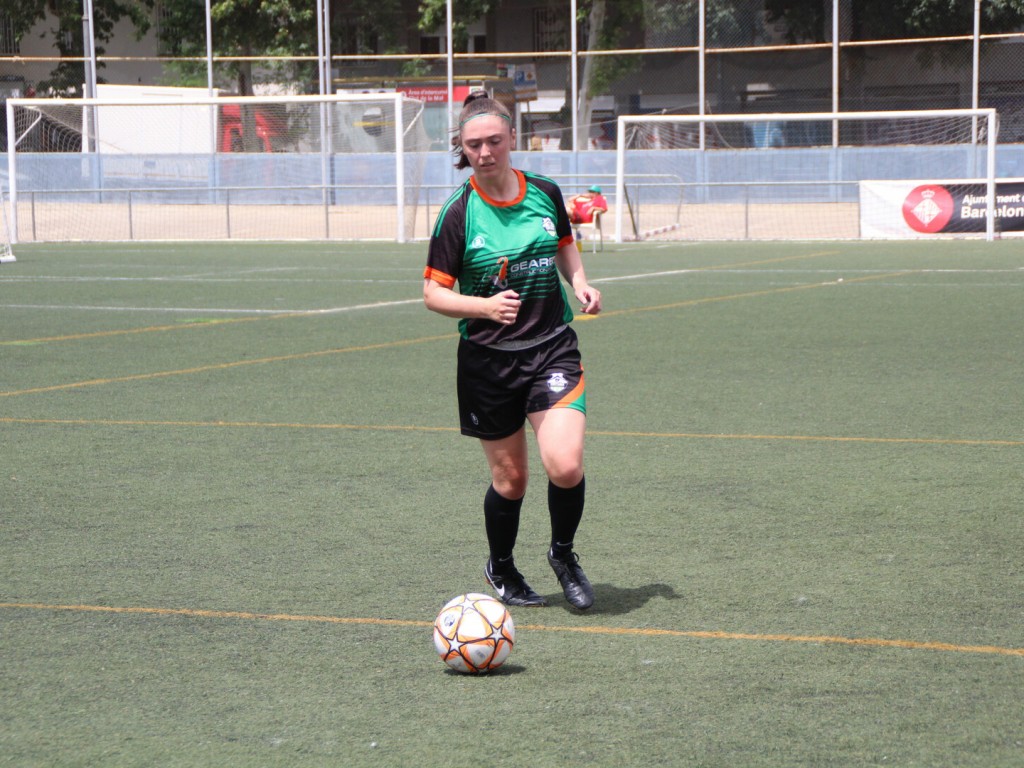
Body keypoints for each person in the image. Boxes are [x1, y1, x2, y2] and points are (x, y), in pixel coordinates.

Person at [423, 90, 603, 610]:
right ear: (462, 148)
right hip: (489, 363)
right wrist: (483, 306)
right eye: (473, 145)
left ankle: (563, 555)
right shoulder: (458, 213)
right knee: (511, 480)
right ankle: (501, 566)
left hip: (551, 349)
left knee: (564, 465)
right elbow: (433, 294)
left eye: (494, 141)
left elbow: (563, 243)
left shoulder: (544, 191)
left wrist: (580, 283)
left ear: (511, 139)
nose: (485, 152)